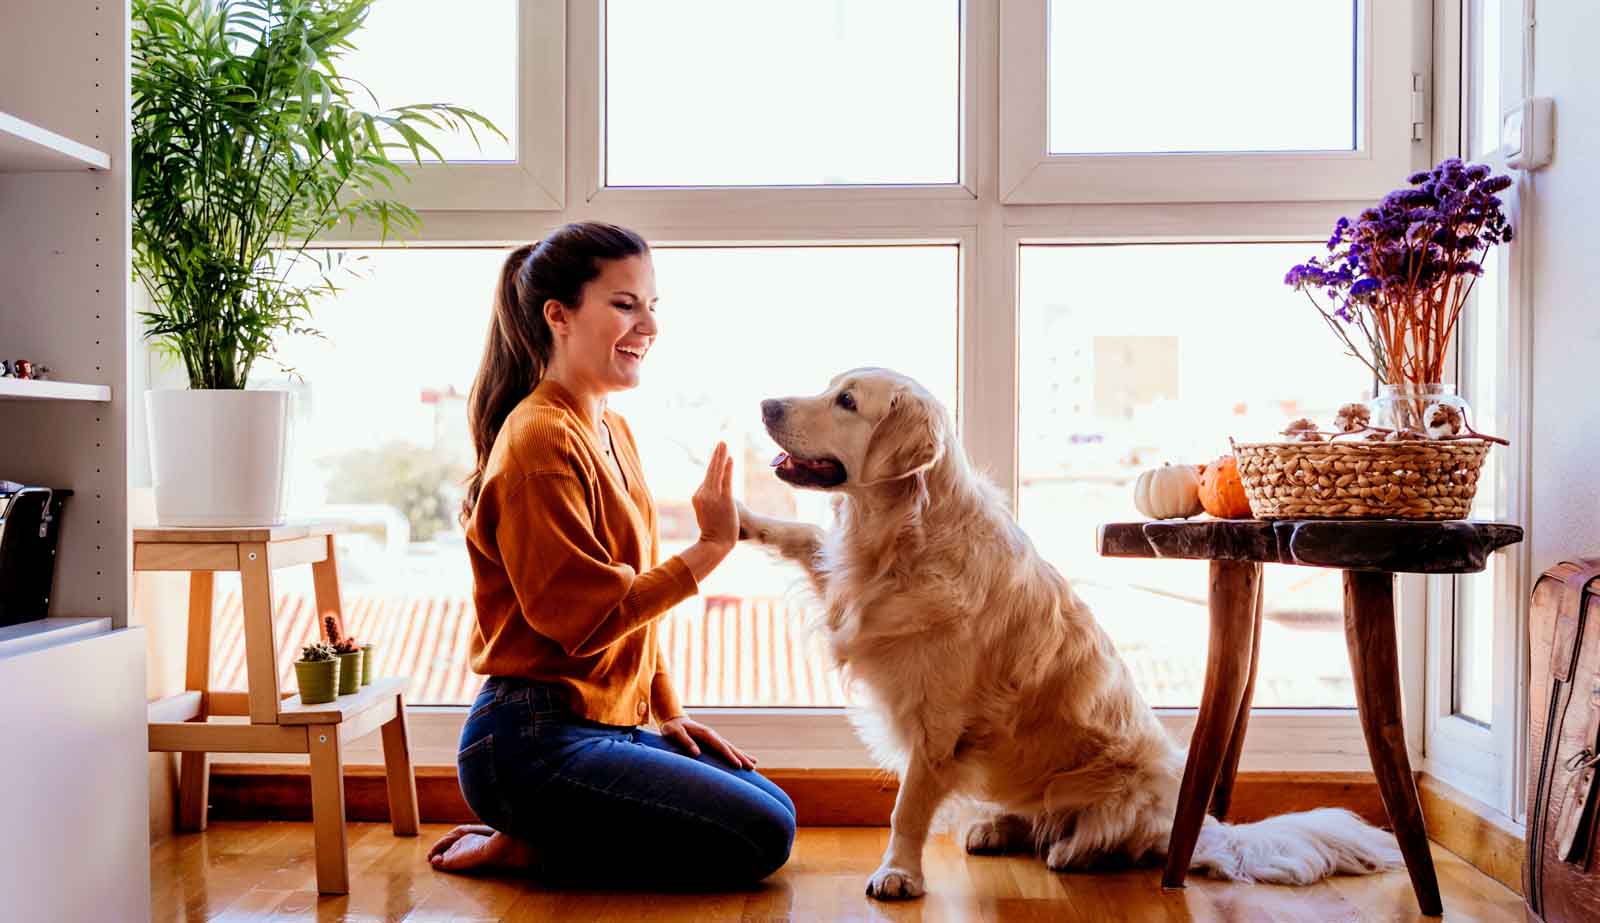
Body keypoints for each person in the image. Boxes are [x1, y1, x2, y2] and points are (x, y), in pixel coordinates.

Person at [427, 222, 795, 885]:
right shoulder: (539, 440)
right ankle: (529, 843)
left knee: (775, 807)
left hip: (602, 722)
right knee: (762, 834)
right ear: (559, 316)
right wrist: (712, 546)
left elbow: (632, 614)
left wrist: (667, 708)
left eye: (653, 305)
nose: (648, 325)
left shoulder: (609, 428)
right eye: (625, 304)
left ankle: (545, 833)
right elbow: (585, 620)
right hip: (527, 740)